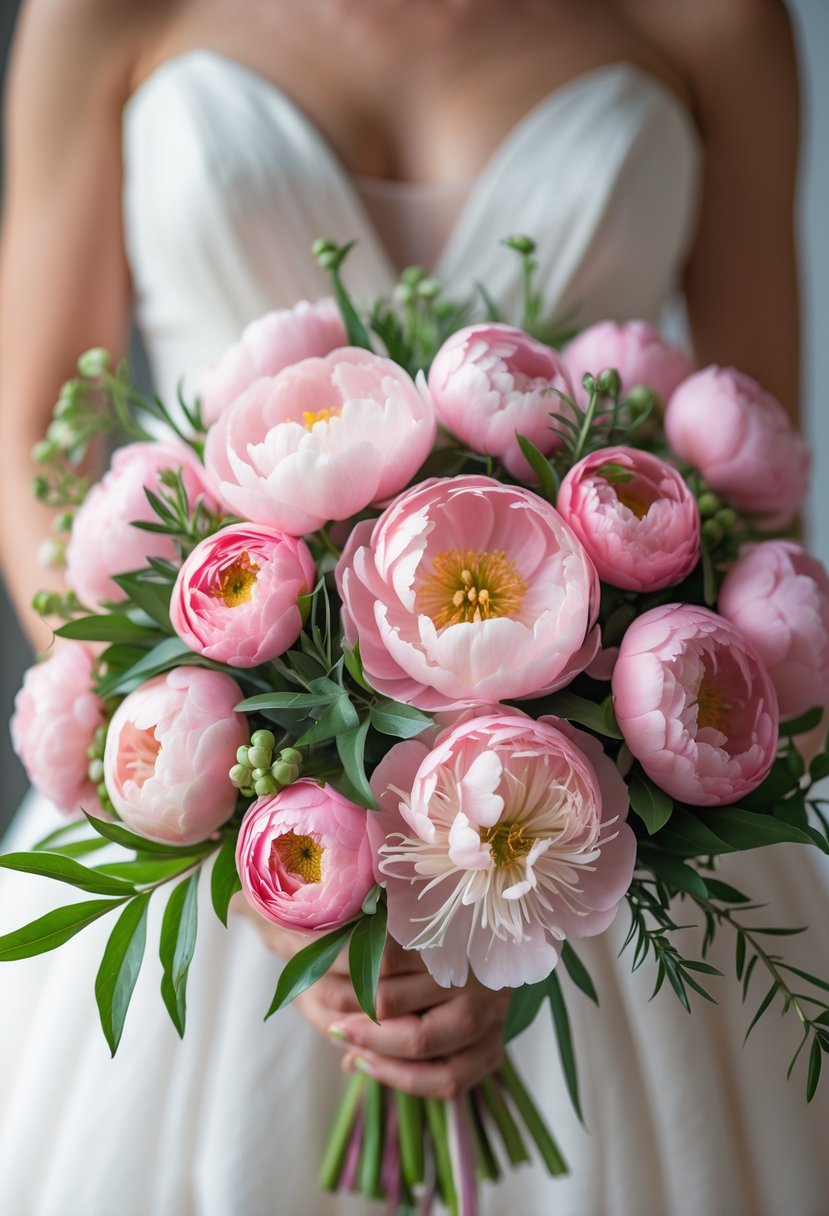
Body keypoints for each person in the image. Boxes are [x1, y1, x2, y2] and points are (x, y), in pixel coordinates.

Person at [0, 0, 827, 1212]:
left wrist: (518, 894)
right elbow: (34, 459)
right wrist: (261, 847)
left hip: (592, 857)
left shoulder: (716, 21)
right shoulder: (99, 14)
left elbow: (755, 488)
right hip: (220, 810)